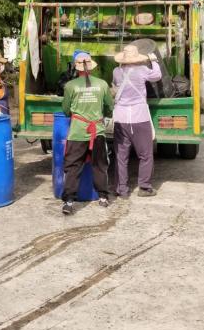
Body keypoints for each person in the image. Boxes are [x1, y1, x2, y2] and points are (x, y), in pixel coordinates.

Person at [61, 52, 114, 215]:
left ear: (76, 67)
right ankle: (103, 197)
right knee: (100, 165)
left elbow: (65, 110)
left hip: (77, 132)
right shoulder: (102, 84)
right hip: (97, 132)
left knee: (73, 167)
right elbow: (109, 107)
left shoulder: (70, 86)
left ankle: (69, 202)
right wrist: (102, 114)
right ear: (91, 67)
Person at [112, 44, 162, 197]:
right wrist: (154, 61)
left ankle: (121, 189)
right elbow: (157, 76)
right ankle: (144, 188)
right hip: (139, 117)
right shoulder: (142, 70)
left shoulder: (116, 71)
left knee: (121, 156)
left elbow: (115, 84)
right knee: (145, 154)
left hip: (120, 118)